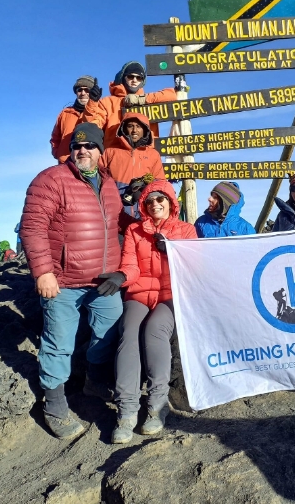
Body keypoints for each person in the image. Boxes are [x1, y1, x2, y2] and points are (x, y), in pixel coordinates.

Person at [20, 122, 133, 440]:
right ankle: (54, 407)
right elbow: (32, 226)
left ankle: (94, 382)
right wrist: (43, 272)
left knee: (108, 334)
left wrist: (148, 219)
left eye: (89, 146)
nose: (82, 150)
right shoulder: (51, 179)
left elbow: (118, 220)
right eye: (76, 146)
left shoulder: (109, 183)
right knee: (58, 345)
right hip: (63, 281)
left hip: (103, 282)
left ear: (100, 151)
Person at [107, 180, 197, 444]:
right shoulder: (135, 231)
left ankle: (157, 405)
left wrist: (171, 250)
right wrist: (120, 276)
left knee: (154, 331)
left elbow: (194, 266)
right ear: (143, 206)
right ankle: (127, 410)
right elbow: (131, 265)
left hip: (172, 295)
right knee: (129, 333)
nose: (155, 204)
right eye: (150, 201)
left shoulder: (186, 230)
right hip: (140, 292)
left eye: (161, 199)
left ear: (171, 202)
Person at [82, 61, 177, 149]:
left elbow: (174, 95)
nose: (134, 80)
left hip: (145, 157)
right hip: (116, 156)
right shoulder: (107, 102)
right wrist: (92, 103)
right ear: (123, 77)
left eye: (139, 77)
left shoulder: (149, 101)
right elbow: (92, 126)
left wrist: (142, 99)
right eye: (131, 76)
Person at [100, 112, 166, 217]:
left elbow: (160, 184)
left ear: (145, 130)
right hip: (114, 211)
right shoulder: (110, 152)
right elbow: (98, 178)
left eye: (139, 126)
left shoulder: (153, 155)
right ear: (124, 128)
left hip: (144, 211)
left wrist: (145, 188)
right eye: (130, 126)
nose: (134, 130)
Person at [50, 76, 102, 163]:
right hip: (65, 164)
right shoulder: (65, 113)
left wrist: (92, 103)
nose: (83, 93)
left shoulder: (100, 112)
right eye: (79, 90)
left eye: (87, 90)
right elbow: (55, 138)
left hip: (89, 163)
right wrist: (58, 153)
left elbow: (91, 127)